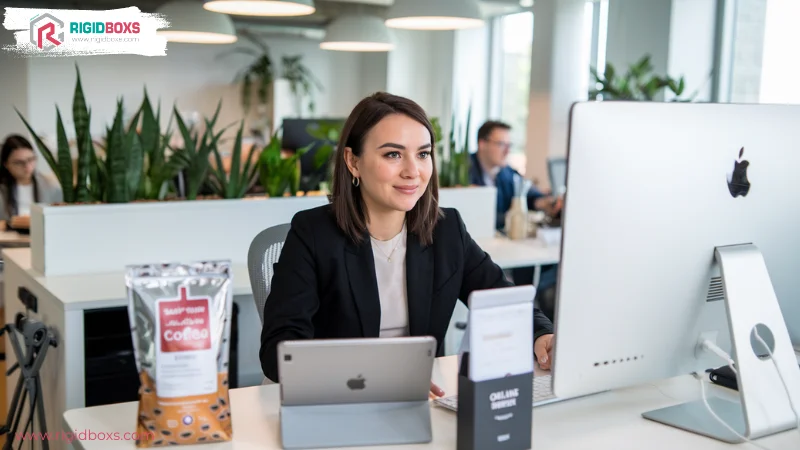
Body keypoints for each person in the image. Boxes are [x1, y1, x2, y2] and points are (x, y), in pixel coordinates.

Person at [259, 93, 556, 394]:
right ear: (353, 162)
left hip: (423, 401)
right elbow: (279, 351)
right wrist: (381, 377)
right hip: (339, 399)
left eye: (423, 154)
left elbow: (502, 299)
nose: (412, 171)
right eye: (393, 154)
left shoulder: (446, 230)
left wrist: (541, 334)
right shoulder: (313, 233)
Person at [468, 120, 561, 321]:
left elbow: (533, 196)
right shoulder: (464, 171)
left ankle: (529, 317)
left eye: (510, 146)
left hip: (507, 246)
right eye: (501, 144)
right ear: (482, 144)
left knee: (542, 269)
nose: (507, 151)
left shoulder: (506, 172)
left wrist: (548, 203)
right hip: (481, 248)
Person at [0, 135, 62, 228]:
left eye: (31, 159)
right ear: (6, 164)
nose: (27, 166)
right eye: (19, 162)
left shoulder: (51, 186)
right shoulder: (2, 189)